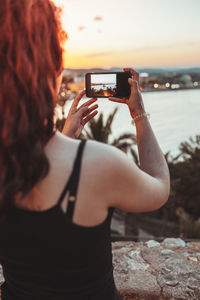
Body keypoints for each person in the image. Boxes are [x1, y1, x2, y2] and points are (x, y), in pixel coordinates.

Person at [0, 0, 170, 299]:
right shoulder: (97, 164)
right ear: (53, 67)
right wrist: (138, 113)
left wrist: (66, 135)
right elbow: (159, 188)